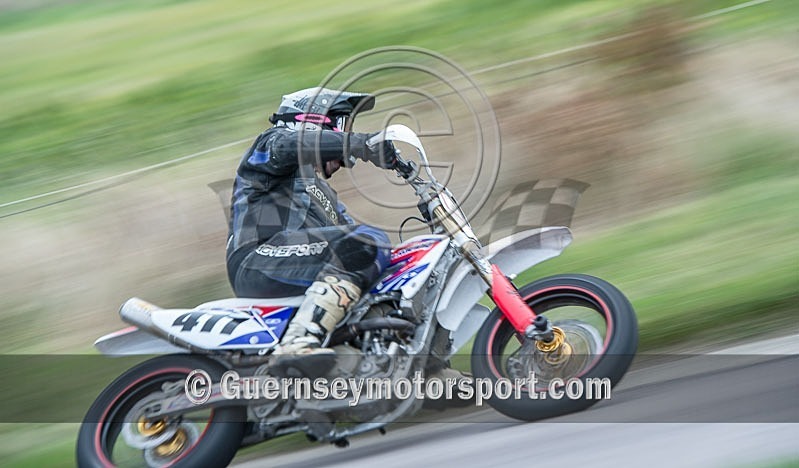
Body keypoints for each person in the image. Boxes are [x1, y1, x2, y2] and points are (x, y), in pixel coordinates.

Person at [225, 87, 398, 358]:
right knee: (366, 240)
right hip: (257, 260)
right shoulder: (271, 145)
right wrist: (361, 143)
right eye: (341, 126)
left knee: (385, 262)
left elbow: (354, 249)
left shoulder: (323, 193)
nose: (343, 142)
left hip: (300, 261)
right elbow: (291, 145)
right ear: (313, 121)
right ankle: (298, 342)